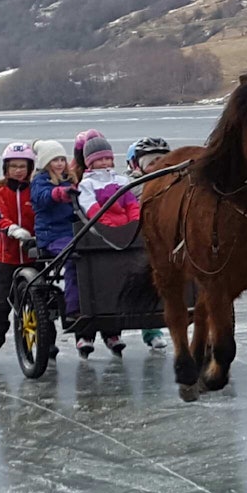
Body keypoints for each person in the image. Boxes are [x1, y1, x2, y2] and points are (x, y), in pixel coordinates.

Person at [29, 139, 95, 356]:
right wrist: (59, 194)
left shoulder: (70, 179)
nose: (58, 163)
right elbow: (42, 197)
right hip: (51, 235)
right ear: (45, 163)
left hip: (72, 231)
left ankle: (94, 305)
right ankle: (73, 309)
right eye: (54, 160)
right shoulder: (40, 180)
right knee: (73, 258)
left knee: (94, 255)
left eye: (60, 159)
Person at [73, 134, 131, 356]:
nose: (105, 163)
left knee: (115, 285)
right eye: (100, 160)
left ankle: (112, 333)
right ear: (89, 162)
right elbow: (89, 207)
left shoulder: (122, 181)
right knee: (91, 284)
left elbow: (132, 202)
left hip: (123, 235)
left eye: (108, 159)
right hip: (95, 235)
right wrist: (105, 224)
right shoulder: (86, 184)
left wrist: (130, 223)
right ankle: (85, 334)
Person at [0, 142, 37, 361]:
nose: (18, 170)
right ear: (6, 168)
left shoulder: (35, 190)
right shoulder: (0, 191)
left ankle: (44, 343)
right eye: (13, 166)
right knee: (2, 301)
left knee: (37, 302)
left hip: (34, 253)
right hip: (8, 256)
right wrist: (13, 229)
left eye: (22, 166)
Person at [127, 137, 173, 350]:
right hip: (136, 239)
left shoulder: (175, 182)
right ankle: (151, 330)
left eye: (163, 160)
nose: (158, 166)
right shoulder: (133, 185)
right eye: (151, 162)